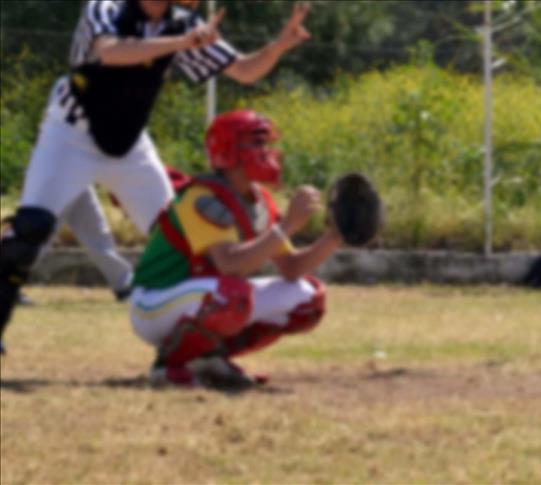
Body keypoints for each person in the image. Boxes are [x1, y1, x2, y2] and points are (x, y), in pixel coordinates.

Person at [0, 0, 313, 354]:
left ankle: (192, 346)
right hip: (70, 136)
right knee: (27, 234)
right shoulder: (105, 7)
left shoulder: (182, 23)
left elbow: (244, 70)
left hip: (130, 144)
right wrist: (181, 42)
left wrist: (280, 44)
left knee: (188, 235)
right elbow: (111, 51)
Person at [129, 110, 342, 388]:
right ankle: (170, 365)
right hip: (154, 300)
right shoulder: (201, 198)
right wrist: (287, 226)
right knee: (232, 295)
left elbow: (292, 268)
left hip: (199, 297)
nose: (265, 151)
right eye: (255, 143)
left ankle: (210, 359)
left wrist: (335, 236)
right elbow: (229, 264)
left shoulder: (258, 199)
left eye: (265, 143)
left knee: (308, 298)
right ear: (228, 151)